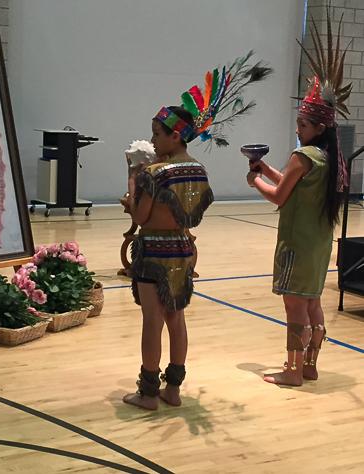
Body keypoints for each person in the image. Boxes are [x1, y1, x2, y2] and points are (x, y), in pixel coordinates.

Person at [122, 57, 271, 409]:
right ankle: (172, 390)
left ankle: (147, 393)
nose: (154, 141)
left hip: (154, 252)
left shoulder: (153, 172)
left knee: (152, 321)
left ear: (176, 135)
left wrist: (132, 194)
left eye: (158, 134)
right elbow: (194, 212)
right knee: (177, 318)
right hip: (183, 249)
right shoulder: (198, 169)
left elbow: (142, 218)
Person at [246, 11, 351, 386]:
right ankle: (310, 365)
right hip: (319, 242)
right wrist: (265, 169)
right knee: (312, 302)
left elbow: (279, 195)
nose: (298, 128)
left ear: (319, 127)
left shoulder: (302, 156)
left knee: (295, 306)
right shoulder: (327, 157)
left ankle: (292, 371)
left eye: (302, 125)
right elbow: (292, 182)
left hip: (297, 243)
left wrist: (255, 181)